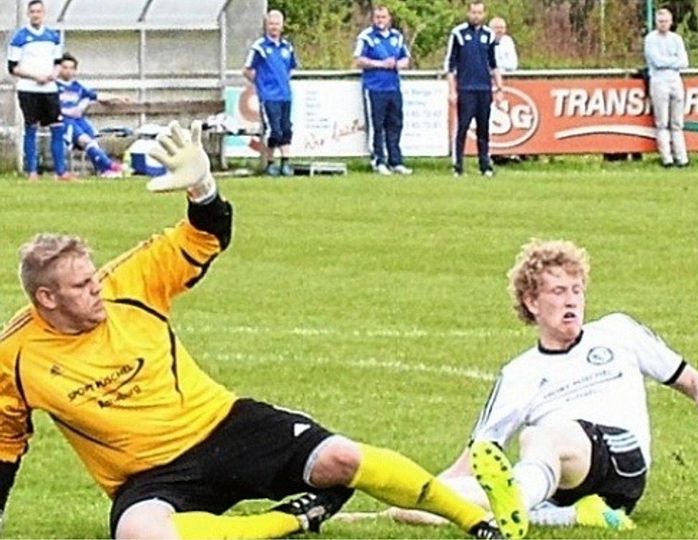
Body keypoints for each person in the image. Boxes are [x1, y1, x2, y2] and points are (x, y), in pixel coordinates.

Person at [0, 120, 513, 540]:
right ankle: (292, 520)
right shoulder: (16, 357)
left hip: (225, 425)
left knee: (341, 457)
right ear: (47, 298)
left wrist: (203, 187)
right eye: (82, 285)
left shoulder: (127, 281)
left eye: (93, 277)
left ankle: (476, 522)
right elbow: (4, 445)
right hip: (150, 475)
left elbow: (207, 233)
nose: (97, 289)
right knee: (140, 533)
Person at [384, 239, 698, 536]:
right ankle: (567, 514)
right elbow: (476, 457)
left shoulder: (618, 331)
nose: (571, 300)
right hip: (558, 482)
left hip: (622, 462)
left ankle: (517, 503)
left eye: (576, 290)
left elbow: (693, 380)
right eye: (558, 291)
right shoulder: (518, 373)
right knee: (436, 503)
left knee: (543, 436)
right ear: (532, 302)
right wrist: (420, 499)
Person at [6, 0, 69, 181]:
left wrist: (53, 75)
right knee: (31, 127)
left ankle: (60, 171)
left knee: (57, 127)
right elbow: (13, 68)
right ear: (28, 14)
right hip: (29, 89)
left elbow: (58, 62)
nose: (36, 14)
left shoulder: (53, 36)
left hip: (49, 90)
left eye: (39, 11)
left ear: (43, 13)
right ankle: (32, 171)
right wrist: (35, 77)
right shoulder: (19, 37)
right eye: (32, 11)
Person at [445, 1, 505, 178]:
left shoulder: (489, 35)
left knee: (483, 128)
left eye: (479, 13)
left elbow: (493, 64)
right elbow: (450, 65)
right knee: (463, 127)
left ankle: (485, 165)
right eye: (473, 12)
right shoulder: (458, 33)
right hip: (466, 88)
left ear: (484, 14)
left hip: (484, 88)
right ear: (468, 13)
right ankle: (458, 166)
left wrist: (499, 88)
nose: (476, 16)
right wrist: (452, 90)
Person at [354, 5, 413, 176]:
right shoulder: (367, 37)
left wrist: (396, 64)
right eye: (377, 17)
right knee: (376, 125)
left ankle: (395, 161)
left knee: (395, 123)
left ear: (389, 19)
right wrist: (379, 64)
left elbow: (406, 59)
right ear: (373, 19)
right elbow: (358, 60)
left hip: (393, 87)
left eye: (383, 17)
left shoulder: (397, 36)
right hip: (374, 87)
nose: (380, 20)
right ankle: (378, 160)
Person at [244, 10, 297, 177]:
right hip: (268, 97)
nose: (274, 27)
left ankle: (286, 163)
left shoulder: (287, 47)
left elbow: (290, 69)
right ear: (267, 26)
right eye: (271, 24)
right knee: (273, 131)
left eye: (277, 24)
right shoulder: (259, 47)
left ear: (282, 26)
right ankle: (270, 163)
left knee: (286, 129)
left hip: (285, 95)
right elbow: (247, 70)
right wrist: (261, 84)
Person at [56, 52, 125, 178]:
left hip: (78, 120)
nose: (68, 71)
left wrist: (117, 97)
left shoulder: (77, 87)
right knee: (85, 140)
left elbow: (97, 96)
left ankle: (105, 169)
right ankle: (110, 166)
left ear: (75, 70)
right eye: (65, 67)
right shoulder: (54, 86)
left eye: (71, 68)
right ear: (59, 68)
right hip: (64, 121)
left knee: (92, 141)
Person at [644, 8, 689, 168]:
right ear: (656, 23)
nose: (663, 24)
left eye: (666, 21)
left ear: (671, 22)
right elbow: (656, 61)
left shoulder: (677, 39)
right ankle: (666, 158)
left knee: (677, 123)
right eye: (660, 21)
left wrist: (668, 62)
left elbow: (684, 62)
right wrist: (673, 61)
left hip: (675, 82)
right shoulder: (650, 39)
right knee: (662, 122)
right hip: (659, 82)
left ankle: (682, 158)